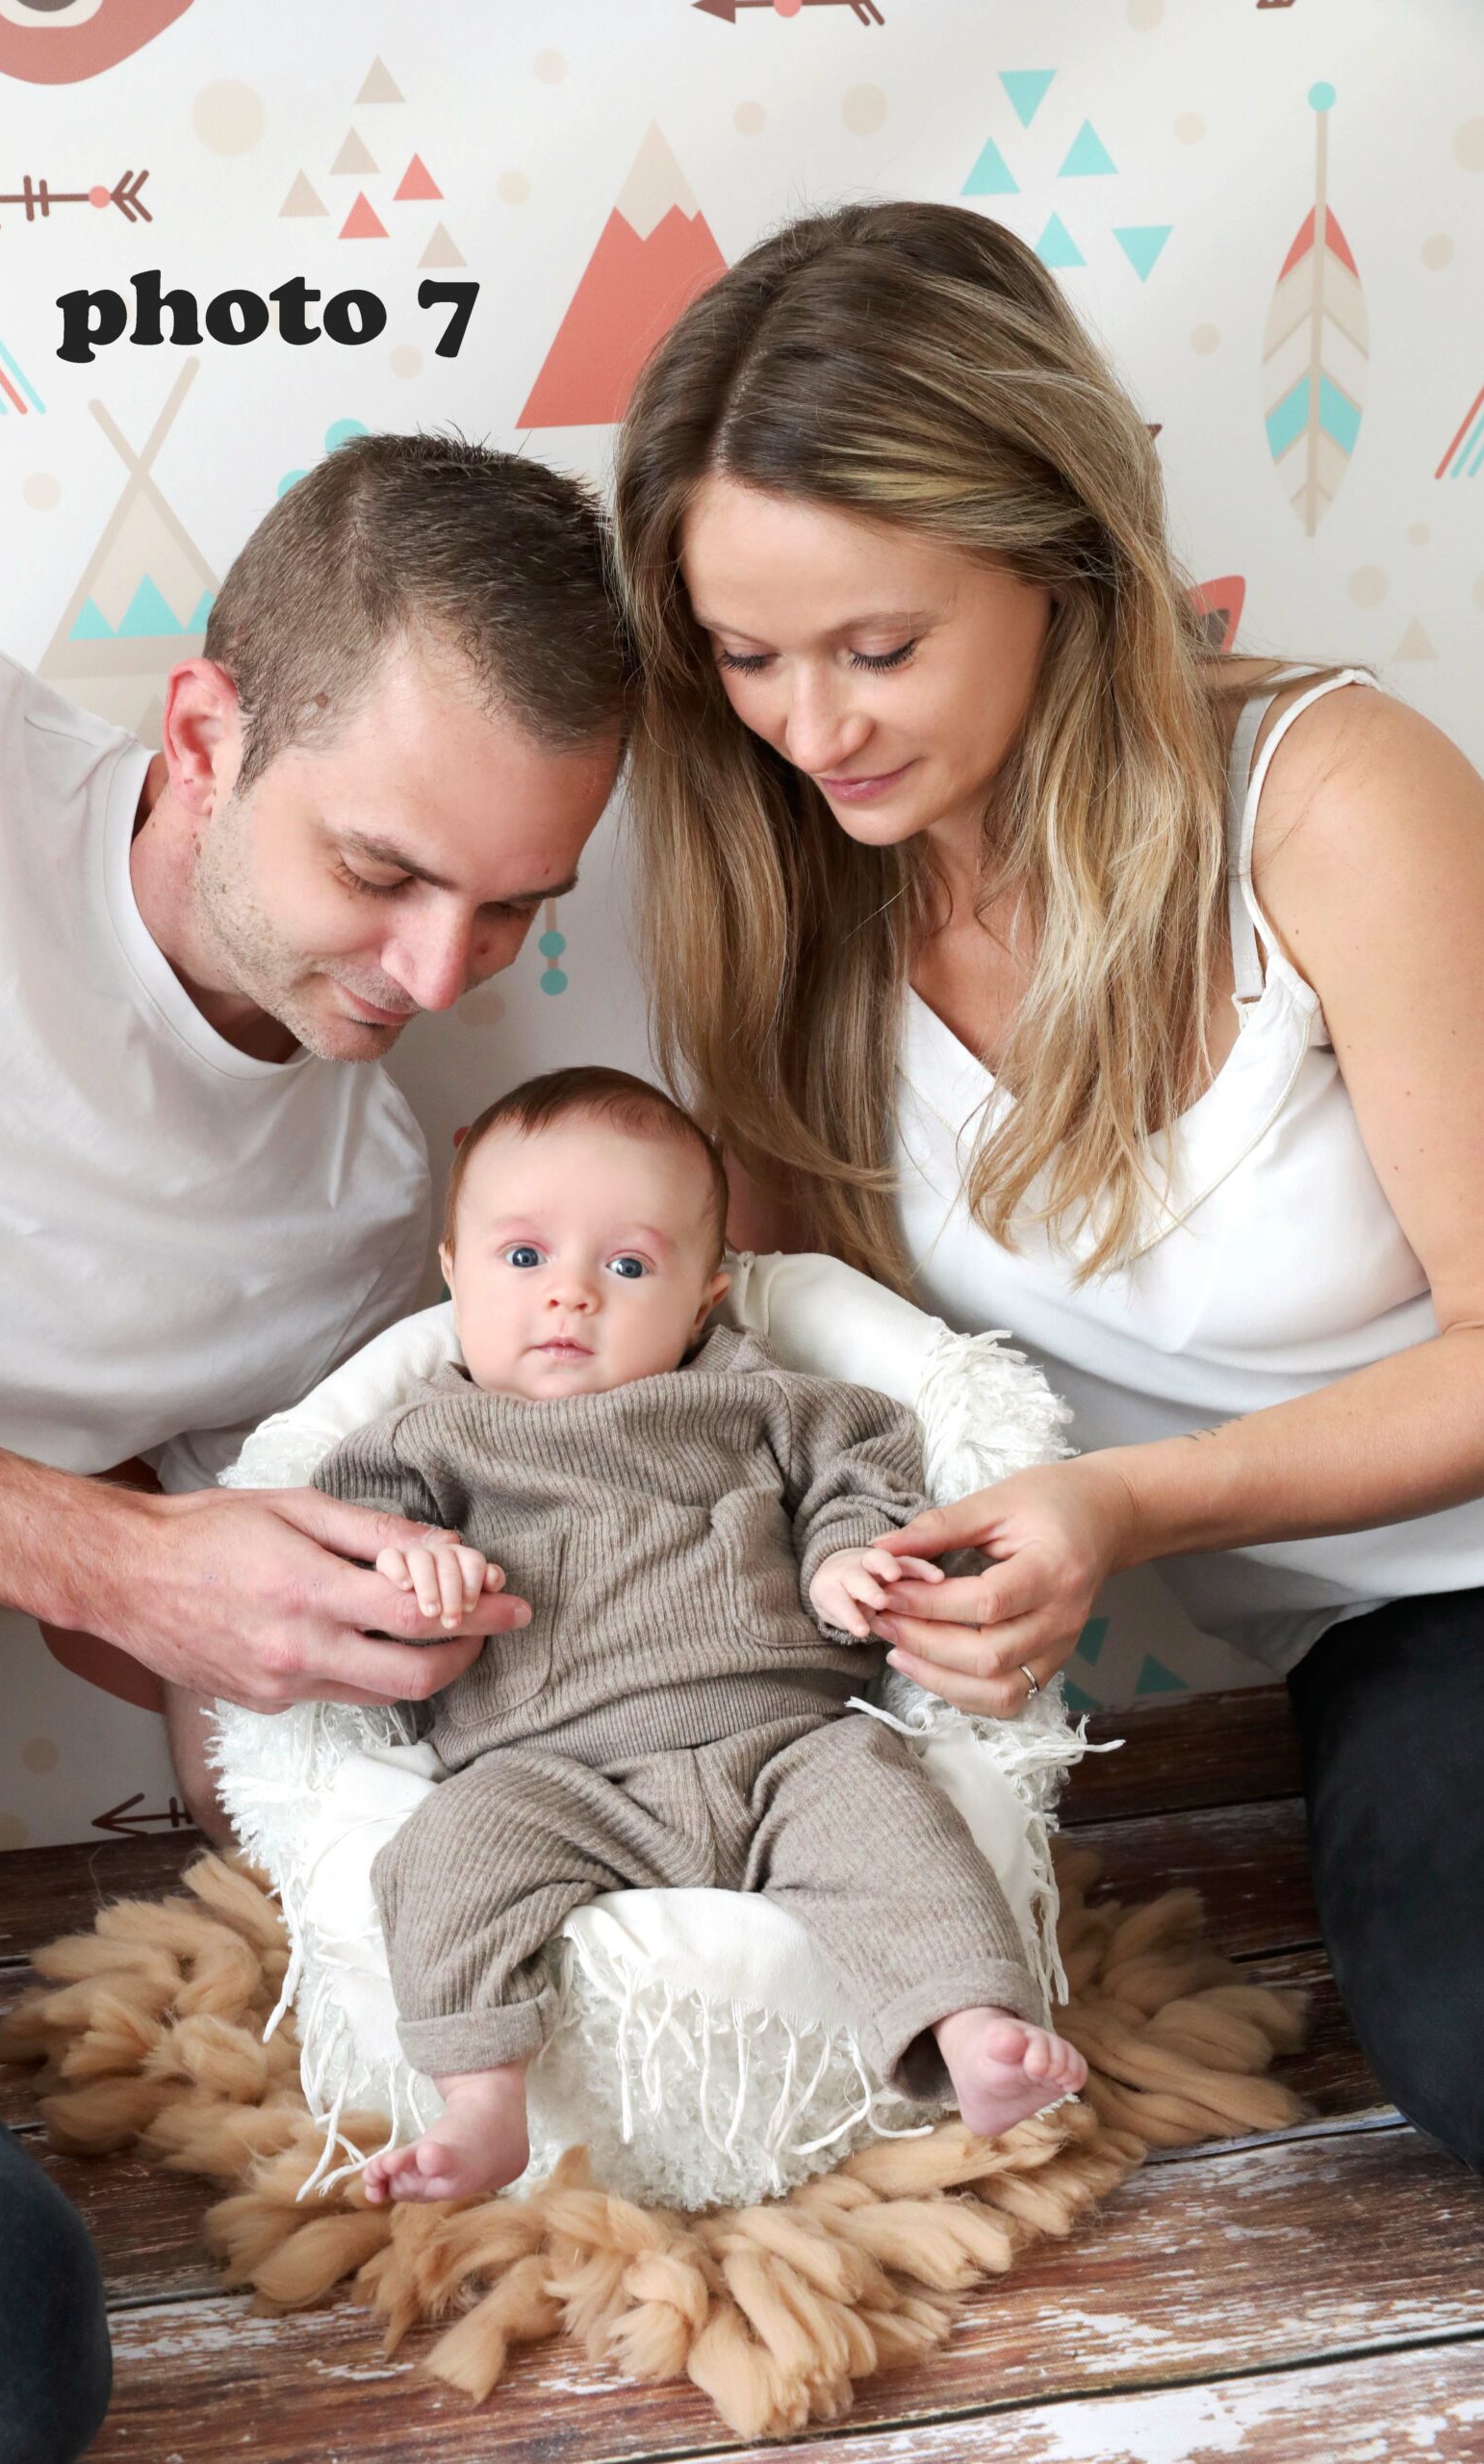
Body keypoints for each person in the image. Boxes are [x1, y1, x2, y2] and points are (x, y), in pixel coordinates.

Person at [611, 200, 1484, 2176]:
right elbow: (799, 1392)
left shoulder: (1327, 798)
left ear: (1061, 559)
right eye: (746, 656)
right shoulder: (787, 913)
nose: (810, 726)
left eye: (878, 648)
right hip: (1391, 1630)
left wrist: (1133, 1501)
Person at [0, 433, 628, 2460]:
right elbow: (123, 1575)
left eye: (509, 910)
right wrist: (118, 1559)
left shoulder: (359, 1216)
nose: (432, 974)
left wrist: (406, 1759)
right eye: (381, 871)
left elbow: (216, 1683)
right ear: (205, 734)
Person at [298, 1065, 1085, 2203]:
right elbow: (337, 1553)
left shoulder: (758, 1400)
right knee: (443, 1855)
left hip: (784, 1745)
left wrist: (845, 1559)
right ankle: (481, 2100)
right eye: (524, 1257)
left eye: (627, 1266)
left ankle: (971, 2030)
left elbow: (865, 1467)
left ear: (705, 1298)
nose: (569, 1296)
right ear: (454, 1270)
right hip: (547, 1773)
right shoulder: (423, 1442)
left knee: (896, 1818)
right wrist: (410, 1565)